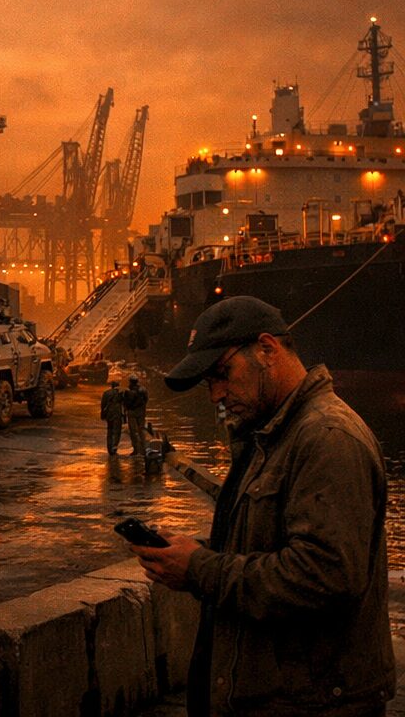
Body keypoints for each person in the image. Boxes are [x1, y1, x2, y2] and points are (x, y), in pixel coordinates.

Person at [128, 296, 395, 716]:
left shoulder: (327, 438)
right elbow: (275, 544)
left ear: (267, 350)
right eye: (208, 383)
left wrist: (201, 569)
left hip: (313, 704)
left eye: (222, 374)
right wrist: (195, 553)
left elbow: (325, 576)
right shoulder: (271, 436)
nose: (216, 394)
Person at [123, 374, 149, 456]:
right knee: (141, 430)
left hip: (132, 412)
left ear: (130, 382)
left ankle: (136, 450)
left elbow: (125, 403)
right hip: (141, 412)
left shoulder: (128, 391)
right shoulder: (143, 390)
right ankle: (145, 449)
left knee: (133, 431)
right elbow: (146, 400)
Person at [100, 378, 125, 455]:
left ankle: (109, 448)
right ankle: (114, 446)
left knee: (109, 431)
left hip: (109, 414)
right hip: (117, 414)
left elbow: (103, 405)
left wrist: (103, 415)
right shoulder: (121, 393)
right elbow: (125, 405)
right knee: (117, 431)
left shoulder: (106, 393)